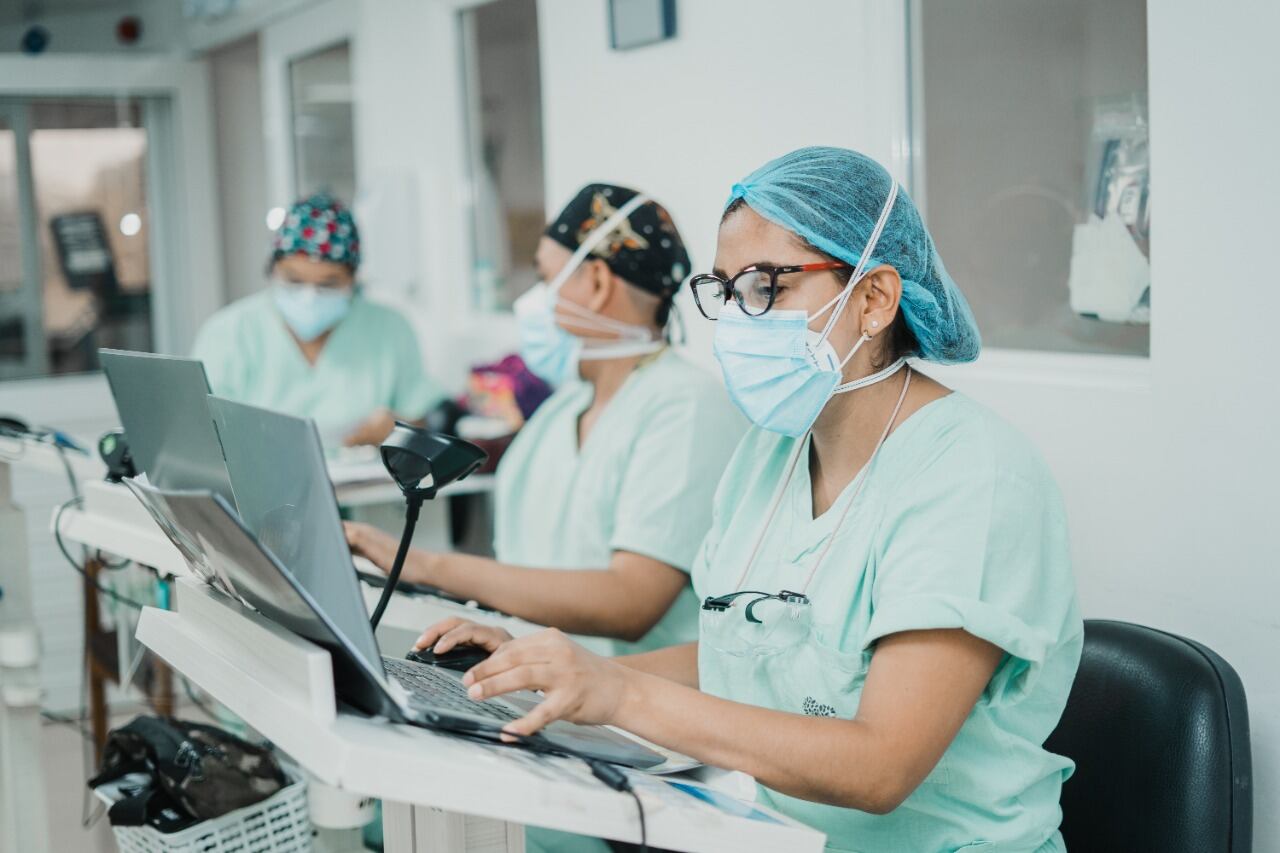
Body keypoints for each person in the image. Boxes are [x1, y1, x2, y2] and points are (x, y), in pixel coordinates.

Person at [413, 149, 1084, 853]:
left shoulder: (973, 473)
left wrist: (622, 695)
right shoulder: (771, 454)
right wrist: (551, 669)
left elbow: (881, 764)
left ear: (875, 299)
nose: (736, 319)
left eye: (765, 287)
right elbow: (739, 652)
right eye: (727, 291)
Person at [346, 184, 745, 656]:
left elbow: (630, 602)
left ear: (596, 283)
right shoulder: (562, 409)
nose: (534, 300)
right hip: (537, 680)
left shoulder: (689, 409)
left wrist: (424, 566)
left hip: (629, 710)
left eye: (546, 277)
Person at [192, 193, 445, 447]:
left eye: (329, 284)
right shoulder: (230, 332)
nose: (309, 297)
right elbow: (200, 432)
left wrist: (396, 428)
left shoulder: (390, 329)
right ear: (272, 268)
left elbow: (424, 419)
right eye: (294, 281)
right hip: (259, 483)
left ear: (354, 278)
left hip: (367, 483)